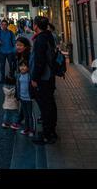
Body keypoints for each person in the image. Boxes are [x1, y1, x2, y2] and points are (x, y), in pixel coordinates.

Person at [30, 16, 57, 145]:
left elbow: (39, 61)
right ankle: (51, 131)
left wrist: (35, 78)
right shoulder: (49, 36)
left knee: (46, 105)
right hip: (50, 75)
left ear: (36, 26)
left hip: (44, 77)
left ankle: (47, 135)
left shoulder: (41, 39)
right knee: (50, 104)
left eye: (33, 24)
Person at [14, 61, 35, 136]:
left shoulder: (30, 76)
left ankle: (31, 130)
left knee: (30, 115)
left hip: (29, 98)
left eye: (24, 66)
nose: (22, 67)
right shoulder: (18, 75)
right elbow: (17, 86)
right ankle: (26, 129)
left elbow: (33, 87)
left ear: (28, 68)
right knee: (25, 115)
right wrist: (17, 96)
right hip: (22, 98)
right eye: (21, 66)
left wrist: (33, 96)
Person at [0, 19, 16, 84]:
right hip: (2, 52)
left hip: (10, 52)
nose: (4, 26)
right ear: (1, 25)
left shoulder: (10, 33)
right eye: (2, 25)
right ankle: (2, 78)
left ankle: (12, 77)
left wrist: (14, 51)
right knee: (2, 66)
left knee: (11, 66)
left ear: (7, 25)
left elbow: (14, 42)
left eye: (5, 25)